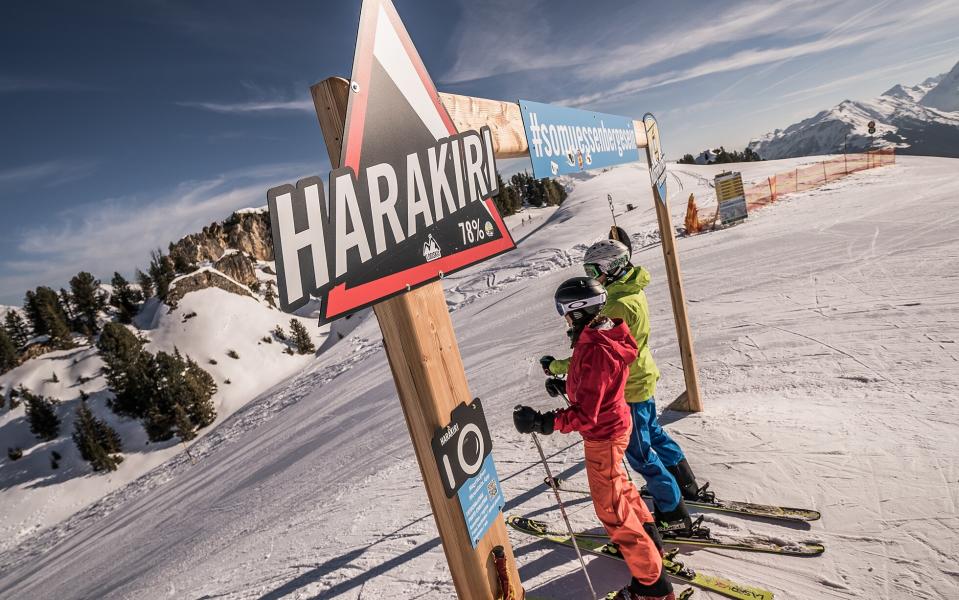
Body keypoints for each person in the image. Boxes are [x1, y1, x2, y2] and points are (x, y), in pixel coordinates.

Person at [515, 277, 675, 600]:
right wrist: (566, 389)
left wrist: (544, 422)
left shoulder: (596, 349)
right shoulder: (601, 336)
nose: (565, 320)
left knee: (612, 509)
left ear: (578, 311)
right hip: (613, 425)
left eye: (566, 313)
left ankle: (652, 586)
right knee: (621, 491)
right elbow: (596, 391)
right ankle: (649, 540)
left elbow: (587, 413)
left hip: (603, 434)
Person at [540, 239, 705, 533]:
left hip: (628, 387)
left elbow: (593, 357)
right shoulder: (630, 291)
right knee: (653, 435)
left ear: (611, 267)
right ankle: (684, 485)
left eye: (594, 269)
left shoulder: (615, 303)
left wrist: (556, 367)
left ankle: (673, 511)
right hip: (640, 376)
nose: (591, 276)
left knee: (640, 453)